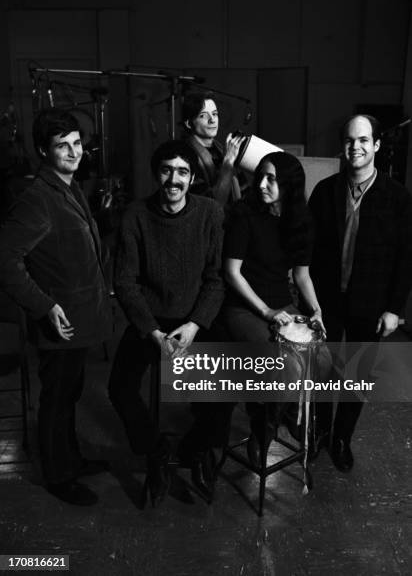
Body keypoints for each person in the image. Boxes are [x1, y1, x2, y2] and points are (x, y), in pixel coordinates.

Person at [0, 108, 112, 505]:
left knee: (69, 393)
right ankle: (59, 476)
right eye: (61, 146)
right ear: (44, 152)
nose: (73, 152)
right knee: (57, 398)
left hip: (81, 319)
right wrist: (44, 306)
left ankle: (72, 459)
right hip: (60, 322)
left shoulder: (69, 186)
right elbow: (5, 260)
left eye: (77, 143)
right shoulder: (37, 199)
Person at [108, 140, 226, 505]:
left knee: (227, 387)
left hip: (195, 321)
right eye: (166, 170)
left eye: (182, 172)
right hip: (153, 320)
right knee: (120, 387)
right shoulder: (135, 215)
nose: (173, 179)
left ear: (192, 178)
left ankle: (194, 449)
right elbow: (125, 282)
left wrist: (194, 325)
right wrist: (154, 333)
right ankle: (155, 449)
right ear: (156, 173)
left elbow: (216, 278)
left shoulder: (210, 213)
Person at [308, 114, 412, 471]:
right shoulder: (324, 192)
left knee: (357, 373)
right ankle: (321, 431)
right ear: (343, 145)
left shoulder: (398, 198)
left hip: (371, 303)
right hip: (327, 301)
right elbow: (307, 248)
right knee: (324, 368)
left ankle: (341, 438)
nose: (357, 147)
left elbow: (405, 258)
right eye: (351, 140)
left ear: (377, 145)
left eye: (364, 140)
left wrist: (394, 309)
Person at [222, 152, 325, 463]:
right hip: (243, 305)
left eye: (272, 179)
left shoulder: (301, 221)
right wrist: (266, 312)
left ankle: (283, 411)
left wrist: (316, 310)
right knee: (279, 364)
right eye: (261, 177)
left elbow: (301, 275)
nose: (262, 184)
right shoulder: (245, 214)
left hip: (282, 302)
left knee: (321, 356)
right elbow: (231, 272)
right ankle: (264, 430)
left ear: (289, 185)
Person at [182, 91, 245, 206]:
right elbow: (212, 205)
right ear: (188, 123)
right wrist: (228, 163)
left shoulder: (221, 149)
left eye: (215, 114)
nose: (212, 120)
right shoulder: (185, 156)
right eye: (203, 116)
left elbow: (244, 190)